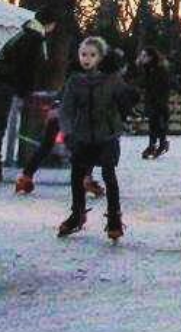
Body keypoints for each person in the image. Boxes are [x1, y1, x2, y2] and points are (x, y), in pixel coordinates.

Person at [56, 36, 137, 240]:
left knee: (109, 176)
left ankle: (114, 218)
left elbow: (125, 101)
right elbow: (66, 108)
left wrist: (130, 97)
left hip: (107, 135)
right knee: (77, 176)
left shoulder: (112, 79)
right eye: (83, 54)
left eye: (92, 55)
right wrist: (67, 131)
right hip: (82, 135)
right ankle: (77, 214)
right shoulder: (75, 80)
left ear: (101, 57)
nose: (87, 59)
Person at [0, 5, 57, 182]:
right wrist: (25, 91)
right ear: (49, 23)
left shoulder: (27, 34)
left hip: (1, 82)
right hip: (3, 84)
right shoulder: (33, 38)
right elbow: (25, 67)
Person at [137, 48, 172, 159]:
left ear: (150, 57)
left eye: (144, 56)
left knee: (159, 124)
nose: (142, 58)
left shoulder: (160, 70)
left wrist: (160, 101)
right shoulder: (148, 69)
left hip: (160, 102)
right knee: (153, 124)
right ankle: (152, 145)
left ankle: (161, 144)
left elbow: (164, 86)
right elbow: (145, 84)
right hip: (152, 101)